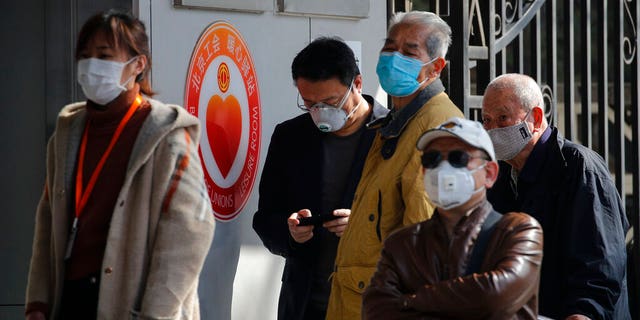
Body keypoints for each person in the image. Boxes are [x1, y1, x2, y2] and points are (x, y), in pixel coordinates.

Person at [24, 10, 215, 320]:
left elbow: (189, 233)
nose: (90, 66)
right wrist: (38, 303)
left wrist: (155, 313)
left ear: (138, 65)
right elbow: (48, 219)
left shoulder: (167, 135)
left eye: (104, 55)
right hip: (71, 299)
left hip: (135, 304)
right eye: (84, 56)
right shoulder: (68, 132)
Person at [326, 11, 464, 319]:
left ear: (436, 67)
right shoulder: (399, 120)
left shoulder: (438, 127)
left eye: (409, 50)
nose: (393, 56)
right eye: (389, 47)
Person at [252, 37, 389, 320]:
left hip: (374, 302)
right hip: (306, 304)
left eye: (330, 101)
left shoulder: (394, 135)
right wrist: (290, 233)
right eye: (309, 103)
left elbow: (420, 223)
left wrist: (365, 228)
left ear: (358, 84)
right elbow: (265, 219)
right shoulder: (290, 137)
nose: (321, 112)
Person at [362, 117, 544, 319]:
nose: (443, 169)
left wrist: (411, 301)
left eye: (458, 158)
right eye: (432, 159)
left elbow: (493, 297)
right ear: (423, 171)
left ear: (490, 174)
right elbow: (376, 310)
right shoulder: (402, 245)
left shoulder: (517, 232)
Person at [482, 73, 630, 320]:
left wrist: (583, 312)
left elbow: (601, 258)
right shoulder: (501, 175)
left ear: (536, 117)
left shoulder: (578, 166)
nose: (492, 129)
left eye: (503, 118)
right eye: (487, 120)